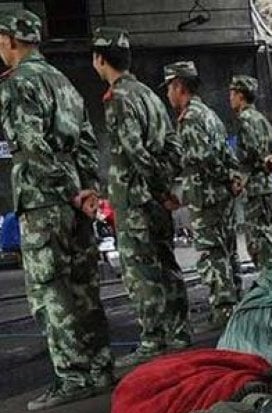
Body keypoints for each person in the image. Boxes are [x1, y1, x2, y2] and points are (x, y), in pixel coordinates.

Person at [0, 9, 114, 410]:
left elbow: (32, 148)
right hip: (76, 201)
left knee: (51, 290)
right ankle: (100, 366)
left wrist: (67, 192)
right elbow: (85, 141)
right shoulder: (62, 82)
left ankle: (73, 376)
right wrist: (87, 192)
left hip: (46, 200)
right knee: (84, 284)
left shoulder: (19, 84)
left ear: (10, 40)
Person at [92, 27, 191, 368]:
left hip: (136, 201)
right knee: (166, 266)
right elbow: (174, 148)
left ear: (99, 59)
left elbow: (135, 154)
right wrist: (166, 188)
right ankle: (179, 333)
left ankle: (154, 340)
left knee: (140, 273)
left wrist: (155, 187)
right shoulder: (149, 95)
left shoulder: (119, 99)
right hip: (156, 200)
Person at [165, 61, 241, 327]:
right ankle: (237, 304)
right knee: (227, 250)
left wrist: (181, 193)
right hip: (220, 195)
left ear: (179, 86)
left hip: (206, 197)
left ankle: (224, 309)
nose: (168, 95)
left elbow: (202, 159)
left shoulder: (190, 118)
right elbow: (225, 154)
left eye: (169, 88)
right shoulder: (210, 114)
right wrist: (232, 178)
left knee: (211, 253)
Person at [229, 75, 272, 272]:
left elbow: (248, 153)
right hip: (270, 186)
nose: (230, 98)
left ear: (240, 95)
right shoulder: (262, 119)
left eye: (232, 93)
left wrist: (239, 177)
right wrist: (271, 161)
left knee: (259, 241)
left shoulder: (244, 119)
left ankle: (269, 285)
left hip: (254, 189)